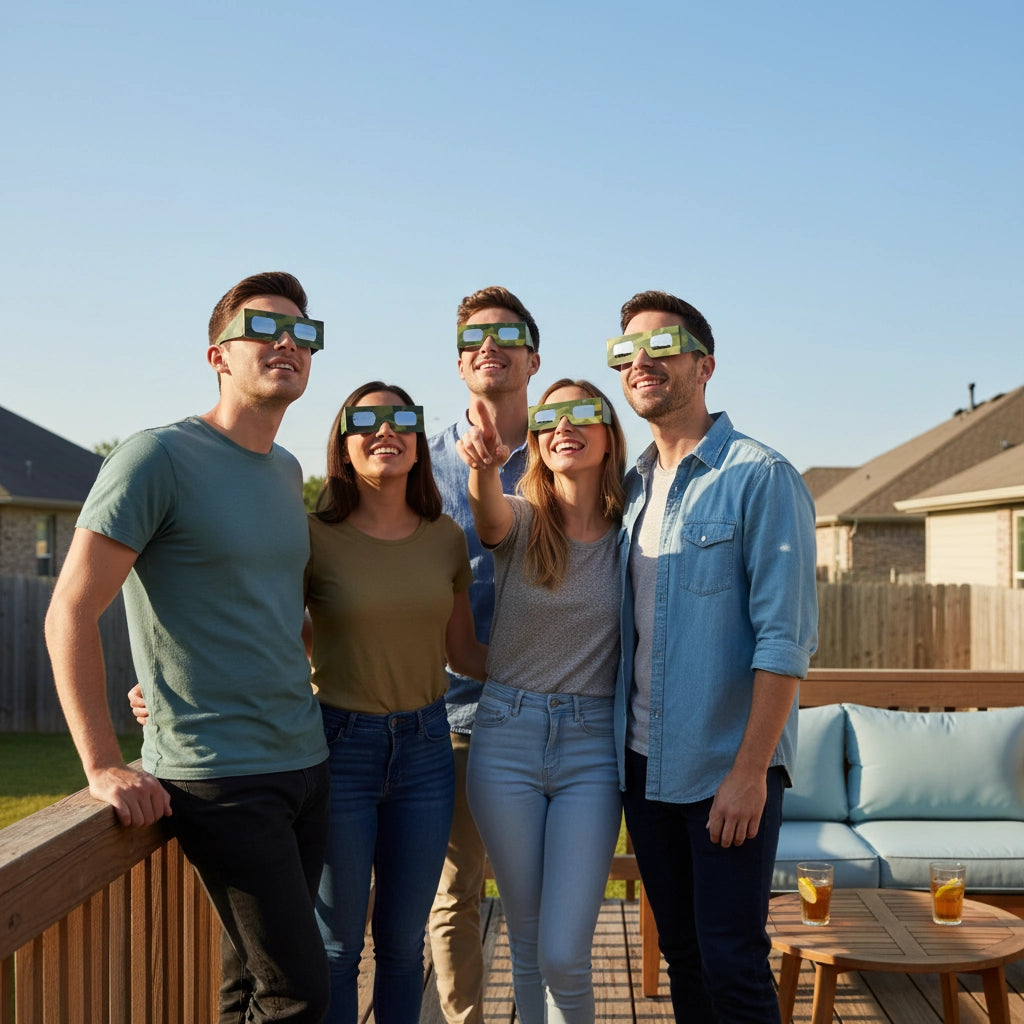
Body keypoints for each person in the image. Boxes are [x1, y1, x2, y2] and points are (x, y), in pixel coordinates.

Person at [45, 271, 332, 1023]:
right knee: (301, 993)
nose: (287, 345)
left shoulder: (285, 471)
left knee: (250, 989)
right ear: (217, 355)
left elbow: (268, 614)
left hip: (305, 761)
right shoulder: (156, 458)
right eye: (264, 331)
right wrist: (103, 763)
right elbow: (69, 612)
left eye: (303, 334)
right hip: (220, 774)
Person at [607, 290, 818, 1023]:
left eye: (662, 348)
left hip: (724, 770)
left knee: (732, 960)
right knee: (686, 957)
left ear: (705, 366)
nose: (641, 362)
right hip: (643, 766)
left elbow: (785, 641)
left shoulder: (761, 477)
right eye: (625, 351)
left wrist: (751, 771)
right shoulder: (631, 490)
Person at [308, 381, 487, 1024]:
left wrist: (564, 670)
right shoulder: (312, 538)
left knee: (403, 948)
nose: (385, 429)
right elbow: (273, 638)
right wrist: (172, 689)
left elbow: (465, 653)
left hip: (426, 751)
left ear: (417, 441)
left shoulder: (444, 537)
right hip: (338, 748)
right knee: (337, 947)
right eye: (367, 419)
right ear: (344, 443)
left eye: (401, 419)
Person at [456, 378, 626, 1024]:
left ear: (609, 435)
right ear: (536, 439)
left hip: (591, 752)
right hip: (506, 740)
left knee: (563, 950)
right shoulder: (523, 520)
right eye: (550, 415)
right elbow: (488, 514)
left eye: (584, 412)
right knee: (525, 943)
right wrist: (487, 469)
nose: (565, 424)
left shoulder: (631, 530)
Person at [426, 287, 541, 1024]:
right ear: (461, 359)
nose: (489, 346)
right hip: (450, 712)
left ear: (533, 355)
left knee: (548, 891)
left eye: (506, 334)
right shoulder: (417, 456)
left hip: (558, 712)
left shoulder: (573, 442)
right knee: (454, 891)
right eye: (474, 336)